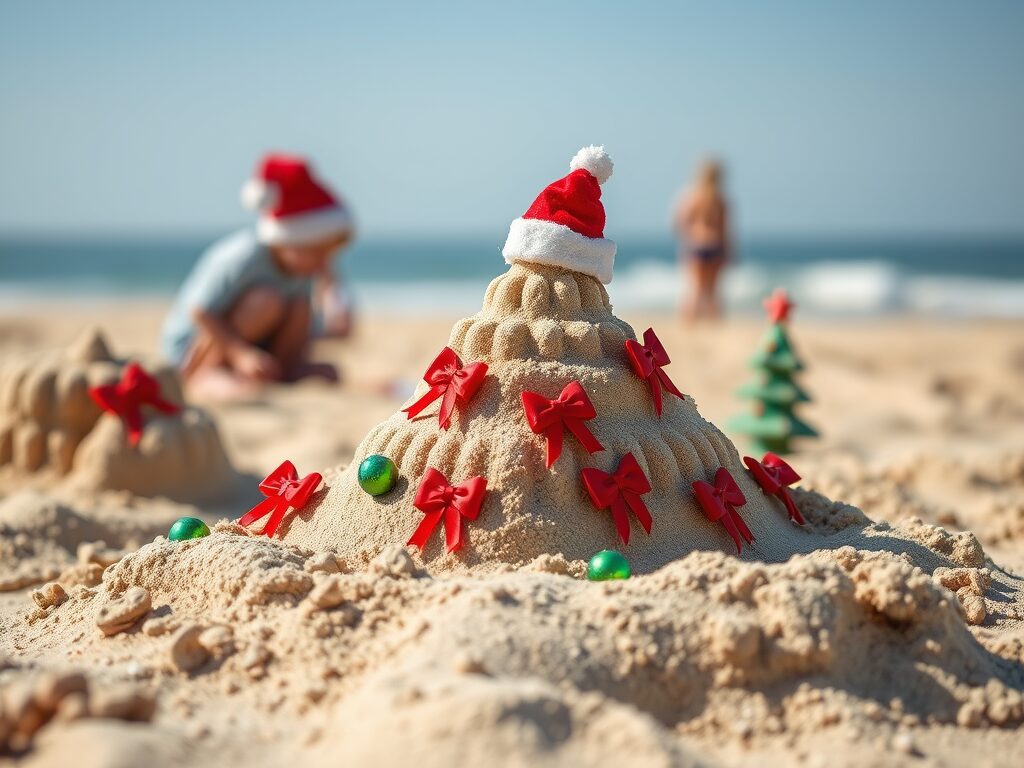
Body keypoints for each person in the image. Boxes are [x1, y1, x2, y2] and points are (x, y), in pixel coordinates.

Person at [161, 153, 354, 398]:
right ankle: (209, 373)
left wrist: (332, 290)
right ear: (289, 239)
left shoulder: (303, 269)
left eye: (328, 254)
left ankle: (283, 372)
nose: (323, 262)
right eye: (316, 252)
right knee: (266, 300)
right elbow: (199, 310)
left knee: (300, 307)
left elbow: (324, 327)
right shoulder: (245, 255)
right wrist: (239, 354)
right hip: (197, 349)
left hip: (258, 346)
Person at [673, 158, 731, 321]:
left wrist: (688, 239)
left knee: (695, 289)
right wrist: (728, 252)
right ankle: (715, 323)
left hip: (697, 244)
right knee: (712, 291)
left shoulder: (692, 196)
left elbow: (680, 222)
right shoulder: (720, 200)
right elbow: (725, 230)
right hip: (715, 245)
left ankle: (688, 322)